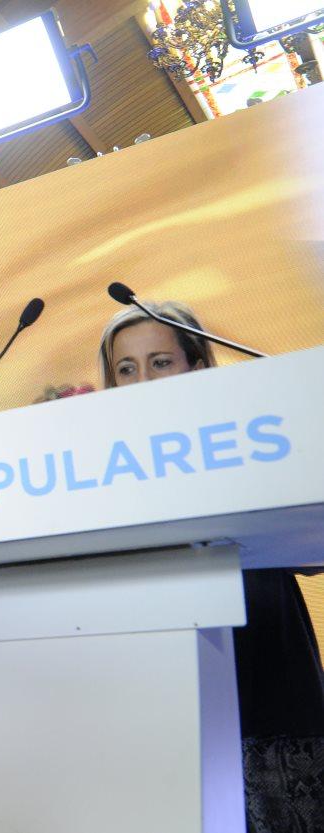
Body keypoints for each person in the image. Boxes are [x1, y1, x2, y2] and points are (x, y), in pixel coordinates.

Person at [98, 299, 324, 832]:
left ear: (197, 368)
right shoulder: (95, 475)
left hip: (271, 691)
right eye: (126, 369)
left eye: (160, 362)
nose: (143, 381)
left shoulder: (256, 441)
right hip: (167, 712)